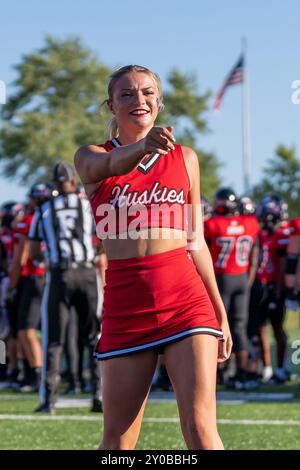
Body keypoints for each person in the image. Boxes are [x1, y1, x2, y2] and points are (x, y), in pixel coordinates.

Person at [74, 64, 232, 450]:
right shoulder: (91, 155)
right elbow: (108, 166)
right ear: (111, 106)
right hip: (126, 304)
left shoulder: (187, 158)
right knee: (117, 442)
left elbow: (196, 243)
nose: (138, 100)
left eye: (147, 93)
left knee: (200, 429)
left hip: (186, 301)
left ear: (158, 103)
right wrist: (143, 147)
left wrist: (219, 311)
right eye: (126, 94)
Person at [29, 162, 102, 413]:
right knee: (95, 336)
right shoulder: (88, 205)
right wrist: (92, 253)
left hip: (61, 274)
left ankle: (49, 399)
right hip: (87, 271)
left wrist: (49, 257)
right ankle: (99, 394)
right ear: (74, 180)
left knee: (53, 339)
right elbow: (104, 238)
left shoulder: (44, 210)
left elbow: (33, 252)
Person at [204, 188, 259, 389]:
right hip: (242, 279)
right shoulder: (250, 224)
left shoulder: (212, 224)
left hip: (222, 278)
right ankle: (243, 375)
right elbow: (254, 257)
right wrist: (248, 281)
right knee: (239, 328)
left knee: (217, 326)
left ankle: (218, 372)